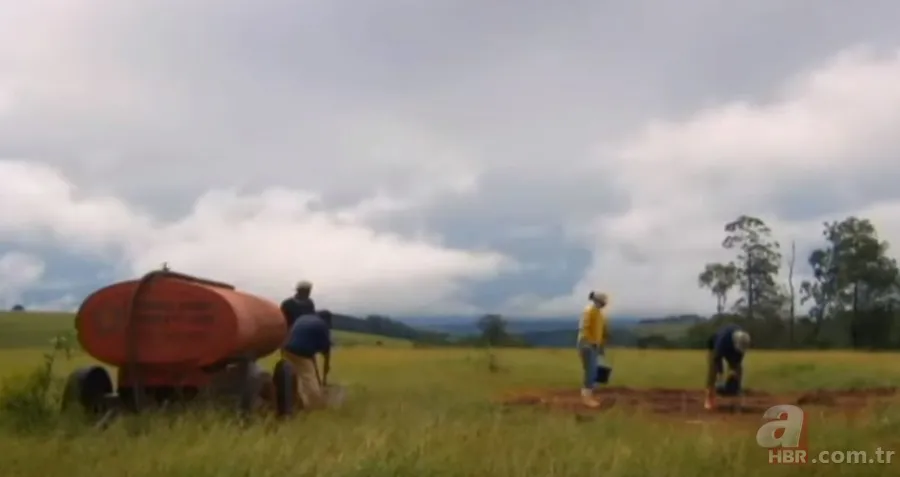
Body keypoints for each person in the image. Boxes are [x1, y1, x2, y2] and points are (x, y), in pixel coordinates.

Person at [282, 309, 333, 410]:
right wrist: (326, 368)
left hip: (286, 349)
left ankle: (296, 400)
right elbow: (326, 350)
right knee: (309, 379)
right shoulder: (322, 325)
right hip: (300, 353)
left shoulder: (303, 318)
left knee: (297, 378)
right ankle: (314, 406)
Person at [704, 323, 751, 410]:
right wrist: (720, 376)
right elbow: (716, 359)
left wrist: (733, 375)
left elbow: (737, 361)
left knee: (738, 368)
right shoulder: (723, 341)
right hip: (714, 345)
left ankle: (737, 390)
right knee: (712, 370)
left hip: (732, 348)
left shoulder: (742, 340)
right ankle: (710, 396)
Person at [577, 291, 609, 408]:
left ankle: (588, 395)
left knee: (592, 369)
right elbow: (584, 328)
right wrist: (591, 342)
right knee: (590, 370)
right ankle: (587, 398)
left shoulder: (598, 313)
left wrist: (600, 345)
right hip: (587, 344)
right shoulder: (589, 311)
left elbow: (600, 331)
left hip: (593, 344)